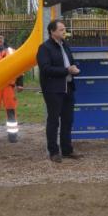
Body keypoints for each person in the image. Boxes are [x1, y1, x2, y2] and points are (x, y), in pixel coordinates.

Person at [36, 19, 83, 163]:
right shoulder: (44, 48)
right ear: (52, 31)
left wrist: (75, 69)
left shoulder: (65, 45)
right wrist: (67, 70)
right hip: (53, 90)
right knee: (53, 121)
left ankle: (67, 149)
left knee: (68, 120)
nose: (64, 31)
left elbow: (71, 62)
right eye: (61, 29)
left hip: (68, 87)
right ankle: (54, 152)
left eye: (64, 29)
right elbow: (45, 69)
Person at [0, 32, 24, 143]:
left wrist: (20, 83)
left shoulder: (12, 51)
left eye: (1, 38)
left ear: (4, 39)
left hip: (8, 86)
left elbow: (19, 67)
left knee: (11, 110)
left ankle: (13, 135)